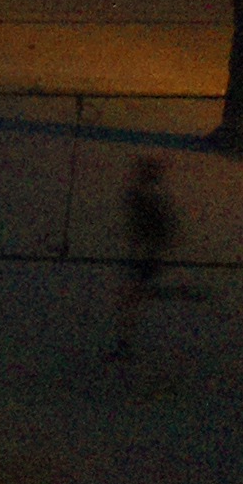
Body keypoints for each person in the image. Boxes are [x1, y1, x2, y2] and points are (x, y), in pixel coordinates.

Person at [104, 154, 179, 361]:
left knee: (132, 299)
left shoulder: (144, 199)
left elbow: (151, 228)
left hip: (144, 256)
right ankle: (125, 343)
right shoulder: (151, 198)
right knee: (133, 298)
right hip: (146, 255)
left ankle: (125, 345)